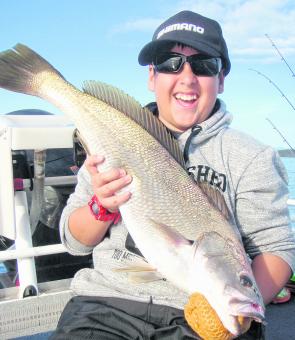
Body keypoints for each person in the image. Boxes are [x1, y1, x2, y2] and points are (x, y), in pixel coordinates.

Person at [50, 10, 295, 340]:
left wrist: (238, 304)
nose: (187, 77)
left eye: (205, 64)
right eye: (170, 62)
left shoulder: (253, 157)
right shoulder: (113, 139)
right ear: (152, 76)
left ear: (221, 79)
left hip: (195, 316)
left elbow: (277, 247)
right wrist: (101, 206)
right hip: (106, 305)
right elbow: (74, 242)